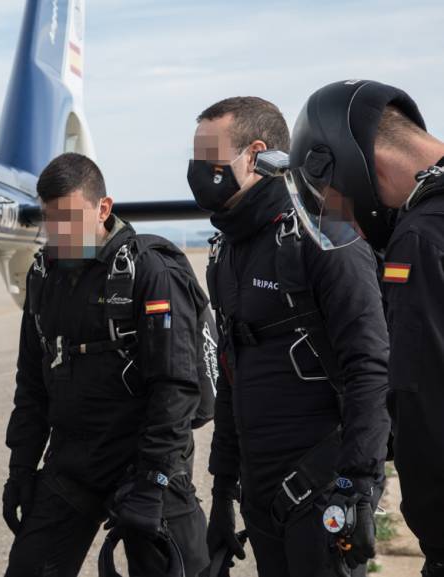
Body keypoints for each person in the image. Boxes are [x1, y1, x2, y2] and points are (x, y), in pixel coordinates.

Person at [188, 97, 391, 577]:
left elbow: (370, 365)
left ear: (256, 154)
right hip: (261, 493)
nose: (197, 171)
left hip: (322, 486)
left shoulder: (324, 234)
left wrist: (358, 485)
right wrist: (223, 492)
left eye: (208, 158)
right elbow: (231, 377)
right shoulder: (228, 251)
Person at [3, 152, 210, 577]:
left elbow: (175, 386)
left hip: (145, 459)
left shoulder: (150, 271)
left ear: (103, 209)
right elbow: (32, 385)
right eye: (51, 220)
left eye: (70, 218)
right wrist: (20, 468)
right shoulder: (43, 276)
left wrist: (154, 482)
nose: (60, 232)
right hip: (74, 460)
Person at [287, 80, 444, 577]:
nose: (351, 225)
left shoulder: (422, 237)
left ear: (346, 167)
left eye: (334, 203)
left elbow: (424, 399)